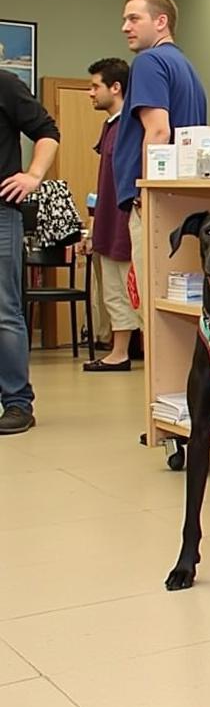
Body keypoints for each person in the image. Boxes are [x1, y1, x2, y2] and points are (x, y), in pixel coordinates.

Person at [113, 0, 206, 312]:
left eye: (134, 18)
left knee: (152, 306)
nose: (125, 26)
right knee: (178, 302)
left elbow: (158, 130)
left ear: (161, 21)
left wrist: (146, 190)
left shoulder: (149, 62)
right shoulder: (186, 67)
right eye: (124, 19)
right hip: (181, 197)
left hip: (156, 199)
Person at [0, 70, 60, 434]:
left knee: (4, 310)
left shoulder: (4, 84)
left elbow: (47, 133)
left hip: (1, 211)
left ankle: (17, 403)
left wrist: (33, 175)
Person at [80, 58, 141, 373]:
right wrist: (92, 229)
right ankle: (119, 352)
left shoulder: (131, 126)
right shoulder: (109, 127)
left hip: (124, 221)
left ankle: (135, 351)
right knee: (113, 292)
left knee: (132, 289)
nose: (90, 93)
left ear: (115, 88)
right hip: (106, 220)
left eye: (95, 86)